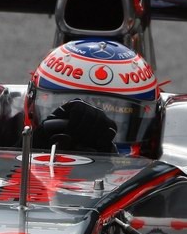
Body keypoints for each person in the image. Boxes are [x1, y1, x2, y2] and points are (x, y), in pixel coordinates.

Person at [29, 39, 161, 155]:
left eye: (117, 115)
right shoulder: (13, 131)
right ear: (30, 102)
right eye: (72, 117)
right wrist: (32, 143)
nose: (88, 130)